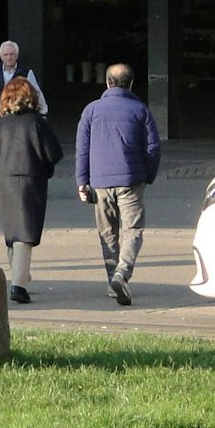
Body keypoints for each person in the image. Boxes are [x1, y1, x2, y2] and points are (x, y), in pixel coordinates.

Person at [75, 63, 160, 306]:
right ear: (131, 84)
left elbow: (82, 149)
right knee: (132, 230)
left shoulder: (91, 110)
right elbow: (153, 148)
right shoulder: (141, 110)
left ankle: (113, 278)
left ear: (107, 82)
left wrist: (82, 181)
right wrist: (148, 175)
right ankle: (122, 273)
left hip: (100, 181)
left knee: (107, 233)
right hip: (131, 179)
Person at [0, 78, 63, 305]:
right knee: (26, 233)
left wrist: (0, 170)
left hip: (5, 180)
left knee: (12, 232)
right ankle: (19, 285)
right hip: (32, 180)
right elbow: (54, 153)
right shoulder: (37, 124)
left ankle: (20, 274)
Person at [0, 40, 45, 137]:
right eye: (6, 55)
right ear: (1, 56)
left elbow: (37, 94)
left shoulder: (27, 73)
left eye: (12, 54)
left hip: (19, 121)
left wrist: (43, 114)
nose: (9, 57)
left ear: (17, 56)